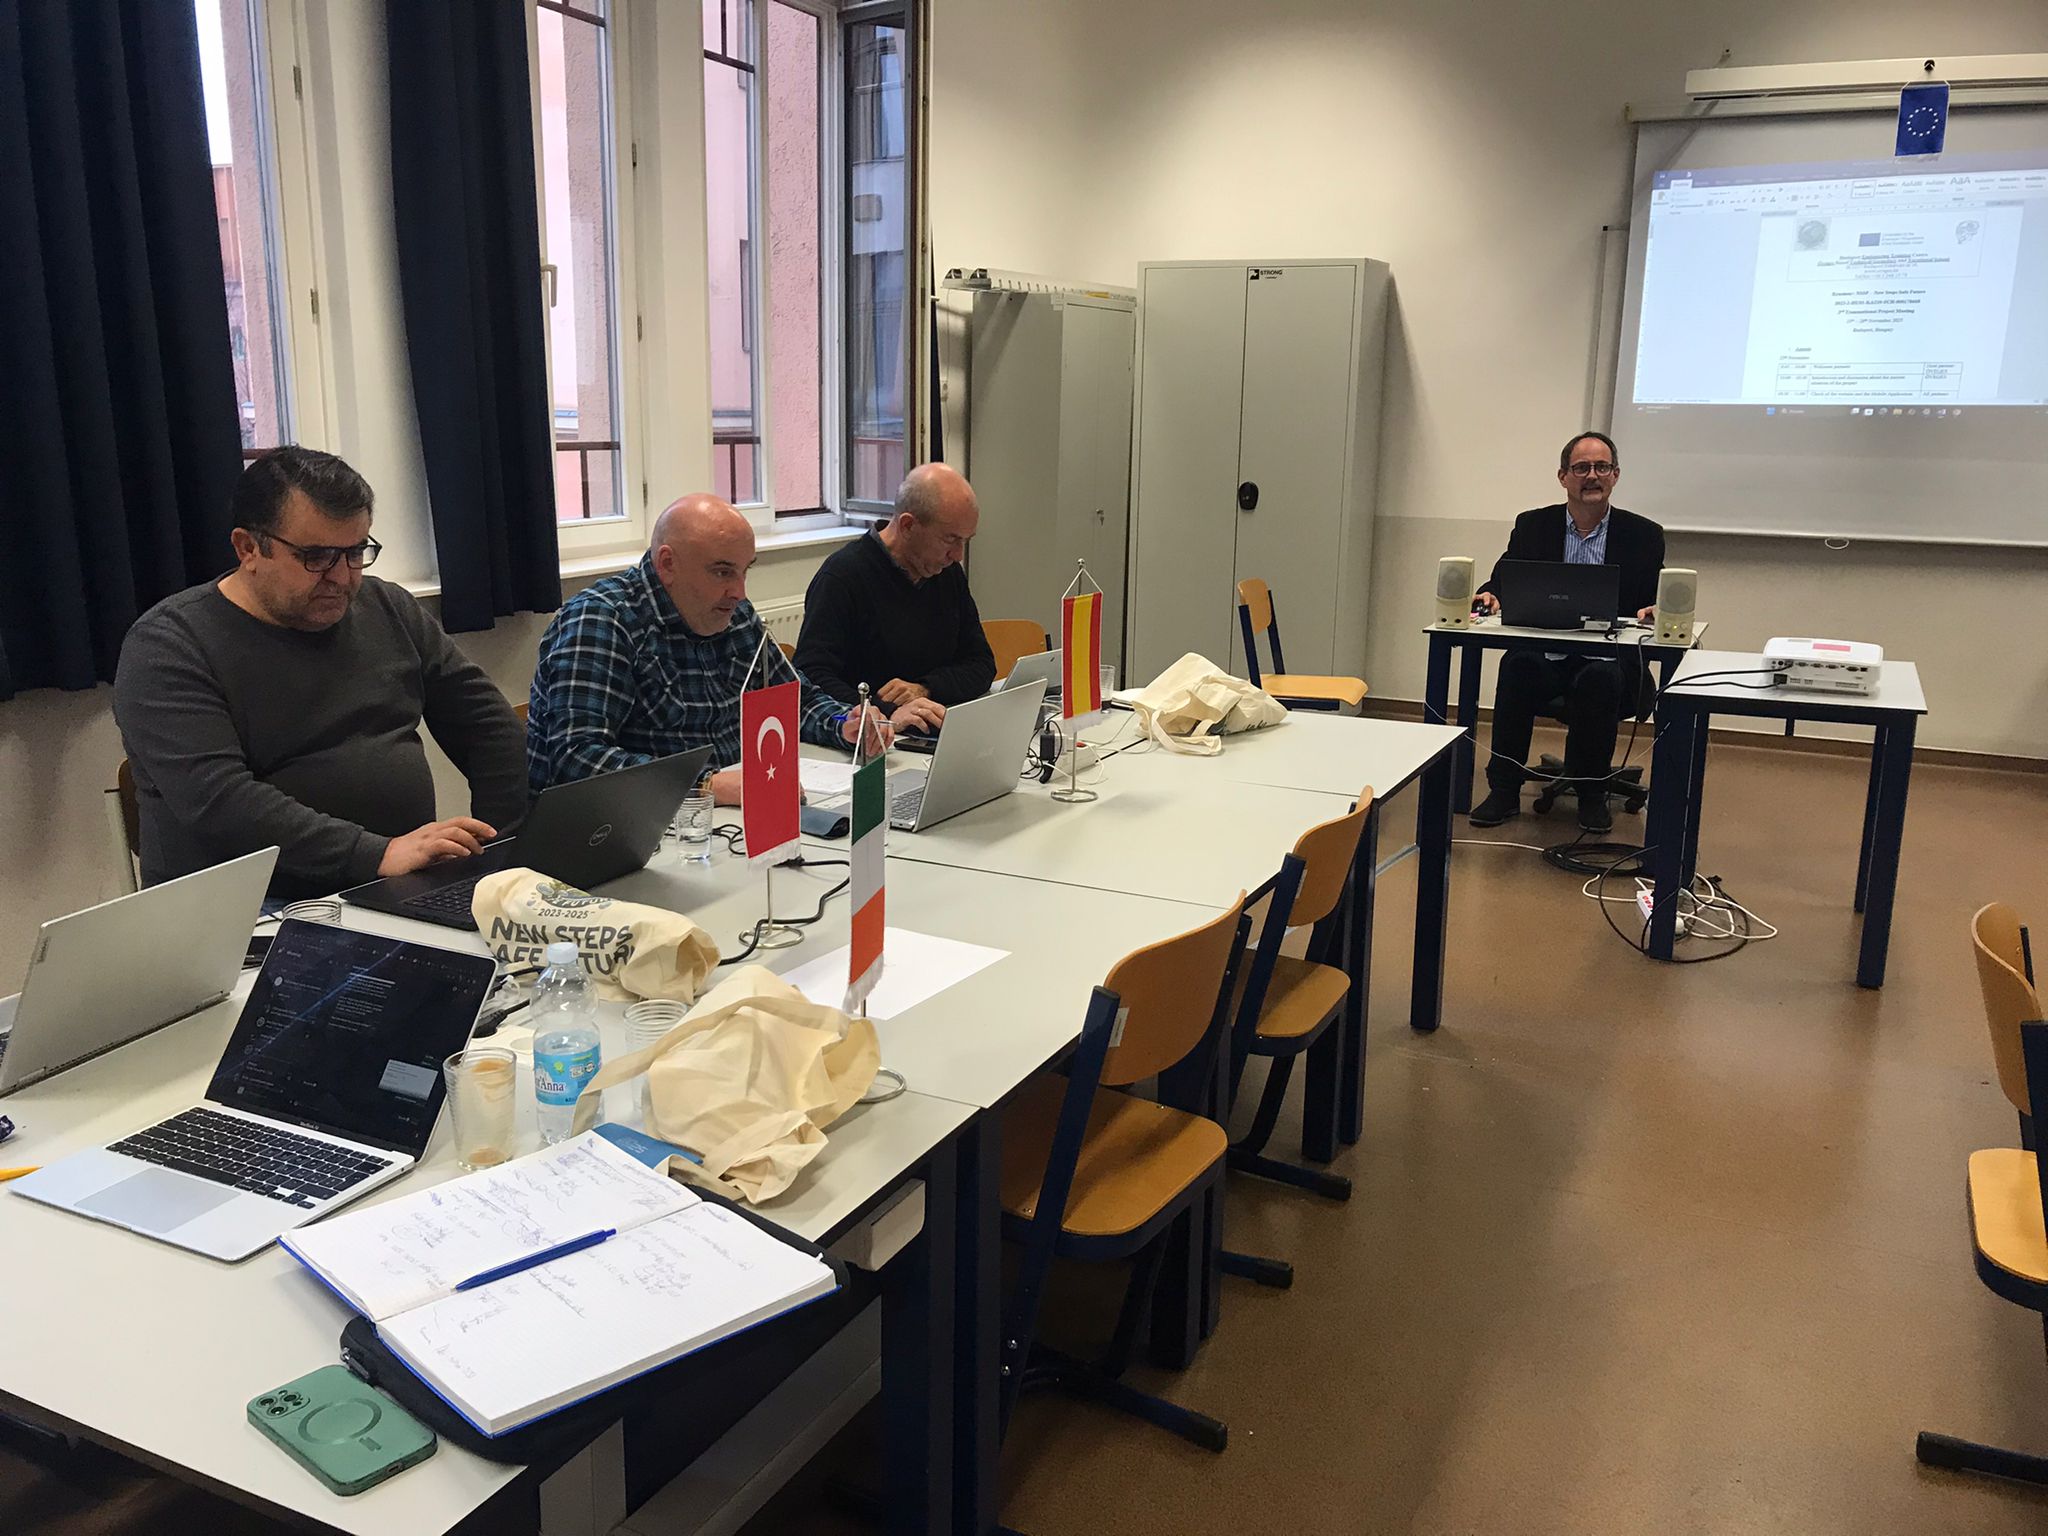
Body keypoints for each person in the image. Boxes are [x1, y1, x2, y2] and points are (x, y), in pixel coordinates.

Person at [114, 447, 528, 899]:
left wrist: (500, 855)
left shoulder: (387, 607)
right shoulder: (168, 646)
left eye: (355, 552)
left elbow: (488, 729)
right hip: (248, 909)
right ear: (248, 548)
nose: (343, 578)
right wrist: (375, 854)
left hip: (390, 886)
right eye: (317, 557)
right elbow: (217, 801)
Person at [526, 495, 937, 803]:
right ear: (667, 564)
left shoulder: (732, 613)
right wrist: (706, 784)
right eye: (723, 572)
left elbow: (793, 701)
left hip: (730, 819)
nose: (739, 591)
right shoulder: (602, 621)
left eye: (744, 571)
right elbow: (577, 760)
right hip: (630, 834)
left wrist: (845, 724)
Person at [1469, 431, 1665, 834]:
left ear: (1615, 475)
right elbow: (1503, 579)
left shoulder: (1643, 535)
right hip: (1548, 657)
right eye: (1581, 468)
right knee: (1518, 666)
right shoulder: (1533, 525)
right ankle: (1504, 790)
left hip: (1610, 661)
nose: (1592, 476)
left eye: (1602, 467)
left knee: (1600, 678)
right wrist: (1490, 594)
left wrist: (1656, 610)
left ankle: (1592, 794)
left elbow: (1655, 599)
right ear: (1563, 477)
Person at [794, 462, 997, 723]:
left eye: (965, 540)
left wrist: (925, 689)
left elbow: (981, 664)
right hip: (869, 734)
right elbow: (811, 678)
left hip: (932, 724)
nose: (957, 555)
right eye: (950, 539)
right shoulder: (842, 577)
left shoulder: (946, 573)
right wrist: (886, 713)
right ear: (908, 526)